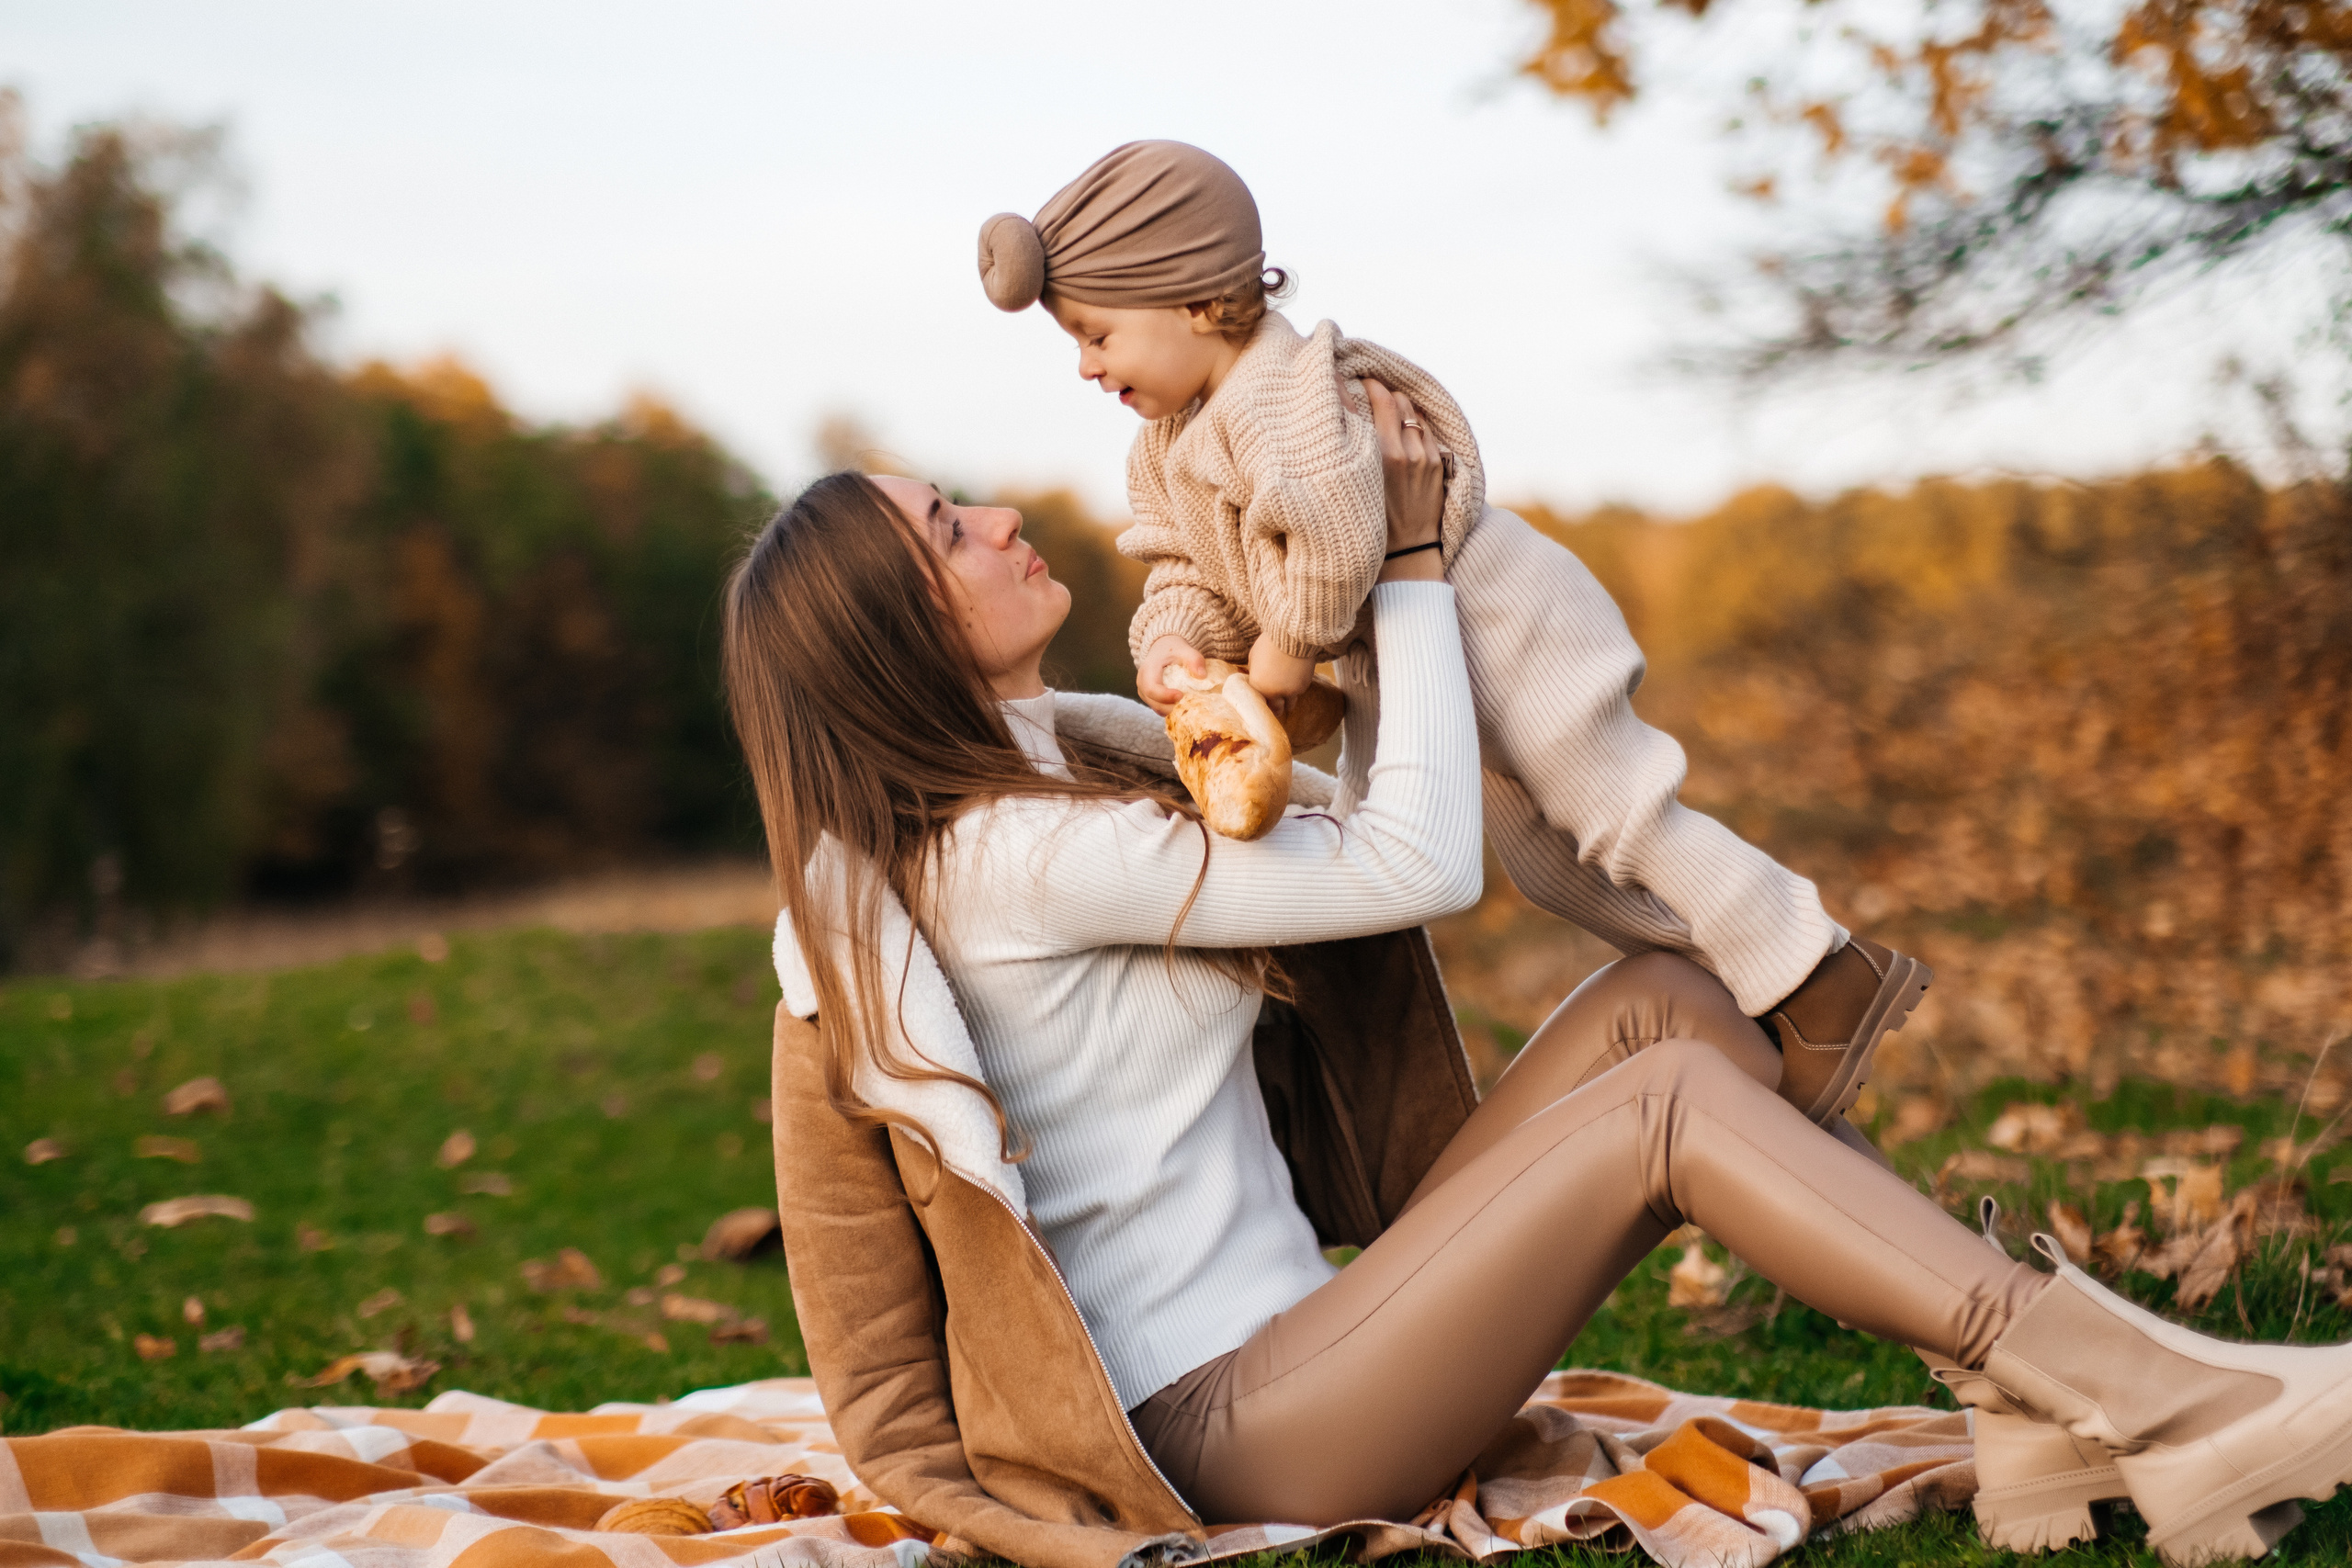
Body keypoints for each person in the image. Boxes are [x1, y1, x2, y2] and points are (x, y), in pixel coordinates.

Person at [723, 397, 2352, 1568]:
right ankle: (2167, 1401)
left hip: (1310, 1342)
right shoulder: (1009, 850)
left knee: (1671, 1003)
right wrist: (1416, 570)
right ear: (901, 636)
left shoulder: (1072, 757)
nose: (998, 516)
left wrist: (1300, 576)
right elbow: (1417, 867)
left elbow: (1345, 812)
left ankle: (2036, 1405)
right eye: (950, 529)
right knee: (1657, 1103)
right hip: (1231, 1430)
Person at [976, 139, 1924, 1134]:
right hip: (1403, 656)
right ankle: (1742, 983)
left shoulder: (1282, 392)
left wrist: (1284, 657)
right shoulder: (1162, 449)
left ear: (1196, 303)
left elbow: (1341, 534)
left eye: (1097, 336)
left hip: (1494, 609)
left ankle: (1821, 970)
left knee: (1615, 810)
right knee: (1551, 867)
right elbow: (1181, 563)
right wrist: (1170, 643)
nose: (1085, 367)